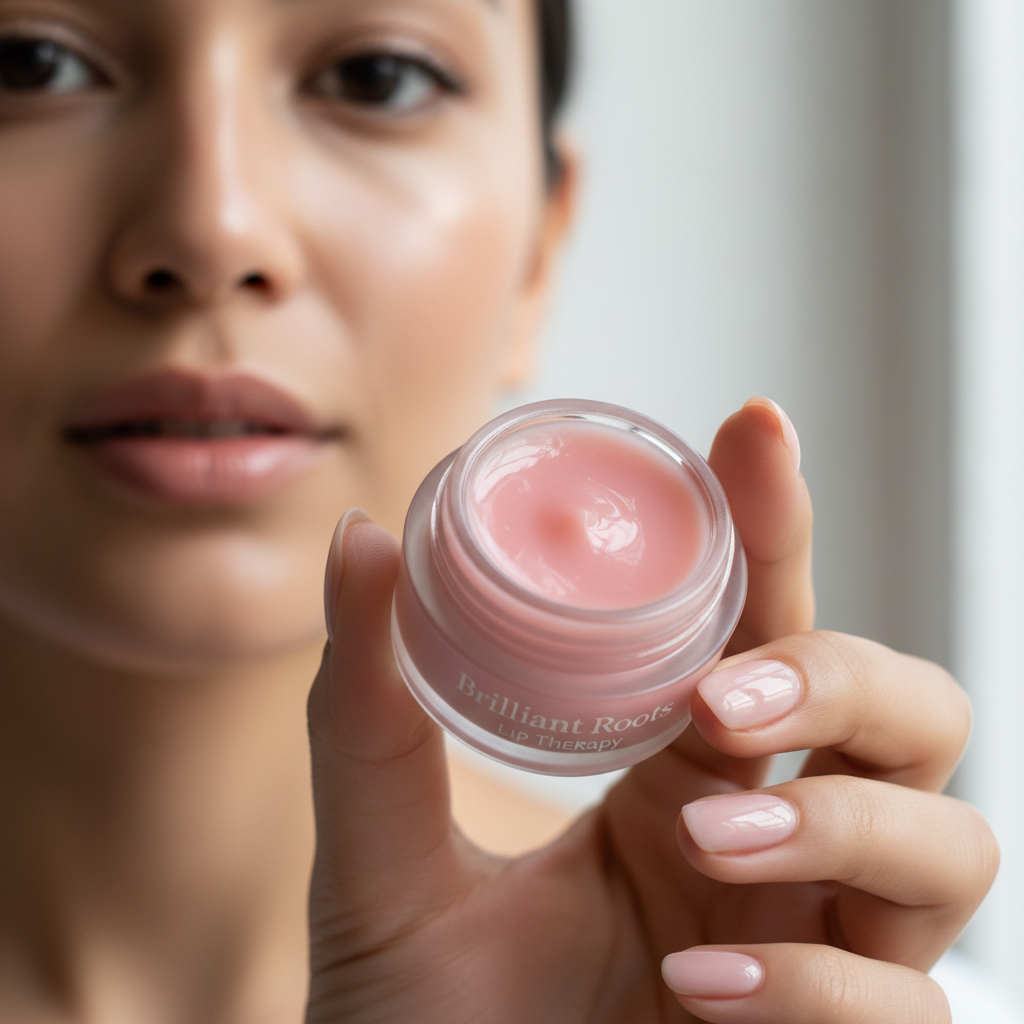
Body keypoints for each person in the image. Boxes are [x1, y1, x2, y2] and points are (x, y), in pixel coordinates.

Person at [0, 0, 996, 1020]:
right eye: (31, 63)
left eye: (376, 76)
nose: (212, 228)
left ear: (540, 251)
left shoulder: (799, 986)